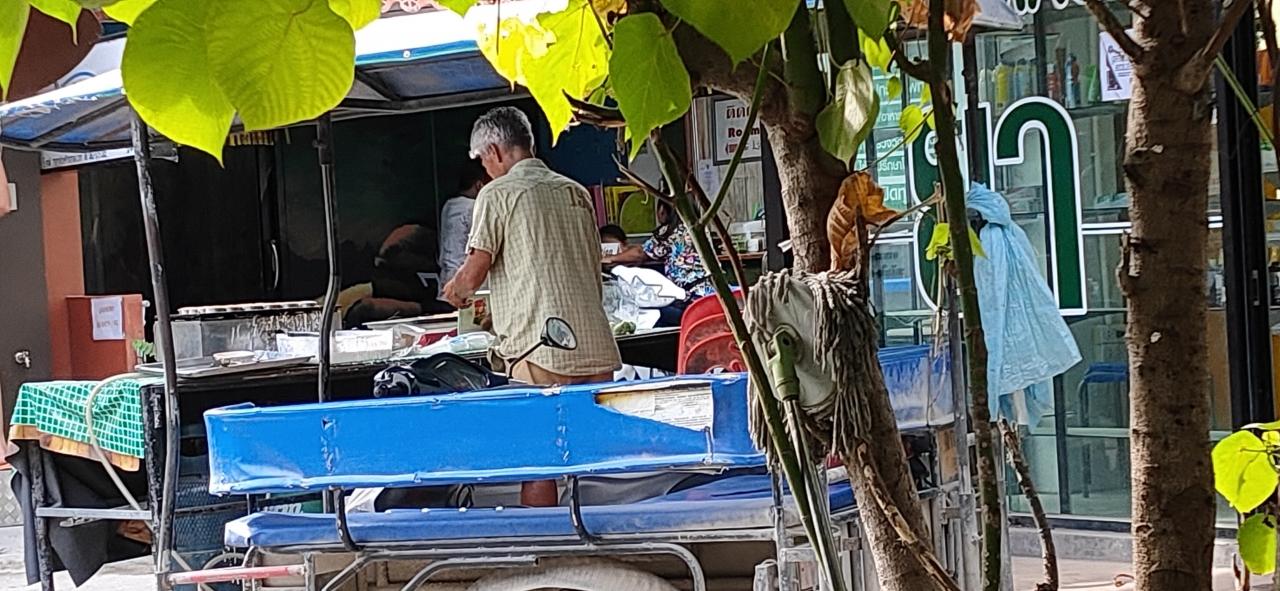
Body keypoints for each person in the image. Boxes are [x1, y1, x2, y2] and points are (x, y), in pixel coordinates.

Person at [442, 106, 621, 506]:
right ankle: (590, 537)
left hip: (541, 349)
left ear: (493, 151)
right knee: (589, 460)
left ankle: (544, 542)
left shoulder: (497, 193)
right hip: (596, 347)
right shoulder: (575, 192)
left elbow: (472, 276)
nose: (485, 169)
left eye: (482, 160)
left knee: (540, 461)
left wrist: (454, 293)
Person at [602, 200, 714, 326]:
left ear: (662, 210)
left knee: (649, 316)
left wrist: (610, 259)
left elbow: (640, 253)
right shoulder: (700, 228)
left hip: (690, 299)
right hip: (710, 294)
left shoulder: (669, 231)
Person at [439, 161, 490, 286]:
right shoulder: (475, 207)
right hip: (466, 275)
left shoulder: (448, 205)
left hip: (447, 274)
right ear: (479, 185)